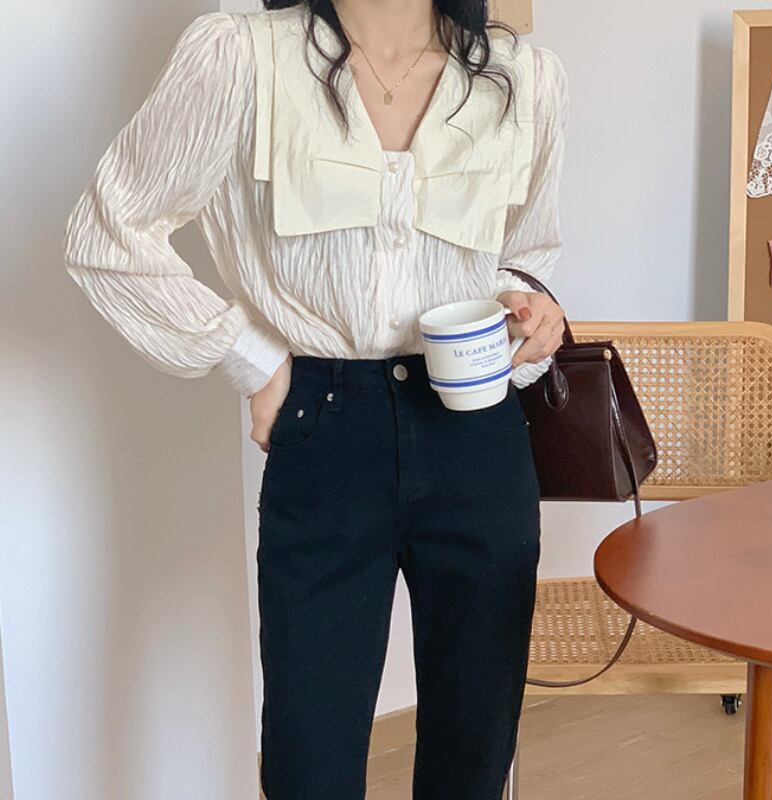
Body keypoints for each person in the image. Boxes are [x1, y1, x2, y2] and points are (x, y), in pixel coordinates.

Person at [62, 1, 569, 797]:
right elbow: (106, 232)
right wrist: (255, 362)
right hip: (326, 425)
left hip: (477, 436)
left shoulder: (523, 77)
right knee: (309, 762)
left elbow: (524, 253)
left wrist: (533, 311)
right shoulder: (242, 59)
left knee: (474, 753)